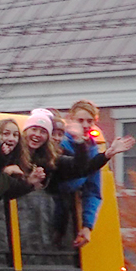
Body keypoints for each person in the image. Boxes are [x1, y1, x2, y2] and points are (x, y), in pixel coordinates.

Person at [52, 101, 104, 248]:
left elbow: (92, 191)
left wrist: (87, 225)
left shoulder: (93, 150)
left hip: (66, 212)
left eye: (90, 121)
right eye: (80, 120)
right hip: (51, 204)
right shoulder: (60, 143)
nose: (86, 125)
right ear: (70, 119)